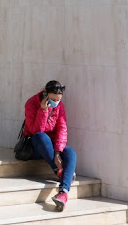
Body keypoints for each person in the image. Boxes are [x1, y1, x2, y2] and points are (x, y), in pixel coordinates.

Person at [23, 80, 76, 212]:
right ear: (45, 94)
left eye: (58, 100)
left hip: (51, 147)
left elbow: (62, 129)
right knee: (42, 137)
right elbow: (36, 131)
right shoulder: (31, 103)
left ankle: (63, 193)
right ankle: (58, 170)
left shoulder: (59, 106)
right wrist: (43, 110)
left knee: (70, 152)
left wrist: (58, 152)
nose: (56, 102)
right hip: (35, 145)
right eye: (53, 99)